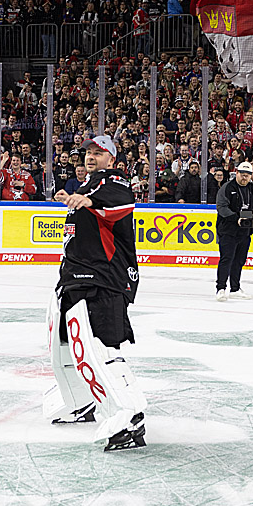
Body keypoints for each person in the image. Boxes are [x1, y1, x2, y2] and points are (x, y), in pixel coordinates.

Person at [48, 136, 145, 451]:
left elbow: (121, 200)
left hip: (103, 282)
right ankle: (81, 402)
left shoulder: (113, 182)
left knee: (102, 350)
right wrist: (81, 197)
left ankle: (130, 417)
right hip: (75, 280)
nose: (91, 157)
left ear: (111, 159)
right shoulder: (86, 187)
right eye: (88, 152)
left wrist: (89, 201)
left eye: (98, 153)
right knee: (67, 348)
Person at [215, 162, 253, 302]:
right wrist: (236, 218)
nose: (244, 178)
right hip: (228, 230)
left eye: (247, 175)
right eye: (242, 175)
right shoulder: (227, 188)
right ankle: (220, 288)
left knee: (239, 260)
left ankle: (235, 288)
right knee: (227, 259)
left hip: (245, 231)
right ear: (236, 173)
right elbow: (221, 207)